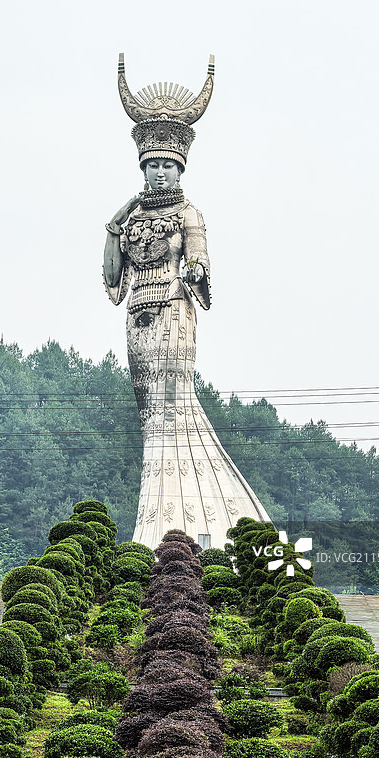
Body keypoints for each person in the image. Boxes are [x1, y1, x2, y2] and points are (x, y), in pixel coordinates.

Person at [103, 56, 270, 549]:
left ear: (180, 167)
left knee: (172, 408)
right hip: (137, 318)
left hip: (174, 312)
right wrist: (113, 227)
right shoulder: (129, 217)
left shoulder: (190, 213)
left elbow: (198, 262)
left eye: (167, 166)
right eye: (152, 165)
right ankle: (154, 519)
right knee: (149, 413)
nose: (158, 173)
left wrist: (195, 268)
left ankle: (179, 524)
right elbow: (113, 276)